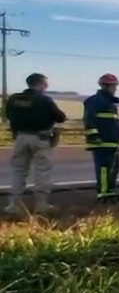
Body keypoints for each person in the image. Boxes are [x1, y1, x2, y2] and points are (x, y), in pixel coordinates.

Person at [4, 73, 67, 214]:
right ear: (39, 84)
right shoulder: (44, 100)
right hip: (40, 138)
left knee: (18, 171)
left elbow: (7, 114)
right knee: (42, 172)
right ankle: (41, 205)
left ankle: (13, 205)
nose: (46, 86)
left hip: (20, 137)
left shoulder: (14, 99)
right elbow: (60, 117)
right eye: (45, 84)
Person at [83, 73, 119, 203]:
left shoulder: (109, 103)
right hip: (102, 142)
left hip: (112, 142)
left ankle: (110, 191)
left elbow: (112, 122)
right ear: (105, 86)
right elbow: (89, 119)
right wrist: (94, 136)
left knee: (113, 167)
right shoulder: (96, 101)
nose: (115, 89)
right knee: (104, 168)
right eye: (113, 86)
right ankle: (104, 194)